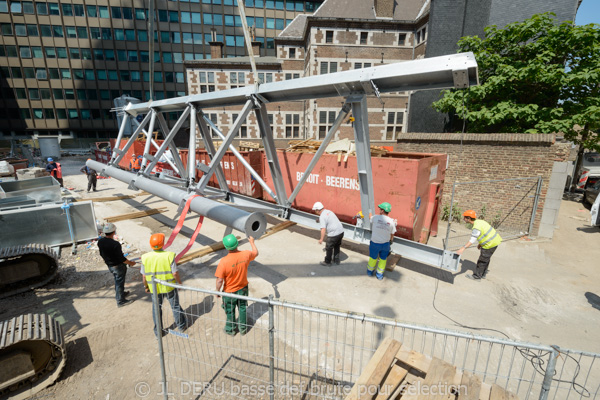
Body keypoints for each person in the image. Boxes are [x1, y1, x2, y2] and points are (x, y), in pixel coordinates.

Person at [141, 233, 187, 335]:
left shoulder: (145, 257)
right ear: (163, 243)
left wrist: (146, 286)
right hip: (169, 287)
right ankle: (181, 326)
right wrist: (179, 283)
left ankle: (158, 332)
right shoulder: (169, 256)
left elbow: (144, 276)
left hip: (154, 288)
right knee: (175, 306)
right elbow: (175, 273)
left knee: (156, 308)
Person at [215, 235, 258, 336]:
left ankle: (231, 330)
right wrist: (252, 241)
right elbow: (256, 253)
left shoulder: (224, 262)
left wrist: (217, 291)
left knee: (230, 310)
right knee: (242, 308)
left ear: (226, 247)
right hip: (243, 288)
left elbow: (219, 280)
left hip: (229, 291)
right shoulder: (246, 254)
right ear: (237, 244)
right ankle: (243, 329)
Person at [456, 210, 502, 281]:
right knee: (486, 258)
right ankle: (483, 273)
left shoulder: (476, 228)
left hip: (490, 244)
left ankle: (477, 277)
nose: (463, 219)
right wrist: (480, 244)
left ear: (468, 218)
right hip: (495, 241)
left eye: (464, 217)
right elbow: (484, 233)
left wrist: (463, 248)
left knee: (482, 260)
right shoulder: (480, 222)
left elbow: (472, 240)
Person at [98, 223, 136, 307]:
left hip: (110, 265)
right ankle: (120, 301)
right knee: (119, 283)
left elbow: (101, 253)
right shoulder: (115, 244)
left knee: (117, 281)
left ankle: (121, 294)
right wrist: (131, 263)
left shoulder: (100, 241)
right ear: (114, 232)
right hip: (118, 266)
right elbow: (122, 259)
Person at [367, 202, 397, 280]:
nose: (379, 210)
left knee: (373, 258)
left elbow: (370, 217)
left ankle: (370, 272)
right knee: (383, 259)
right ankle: (379, 275)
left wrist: (369, 211)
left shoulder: (376, 218)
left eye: (380, 209)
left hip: (375, 243)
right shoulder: (391, 222)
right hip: (385, 245)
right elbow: (392, 233)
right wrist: (391, 241)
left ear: (382, 211)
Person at [312, 201, 344, 266]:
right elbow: (327, 218)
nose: (315, 211)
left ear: (318, 210)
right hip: (341, 232)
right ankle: (336, 259)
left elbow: (323, 229)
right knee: (337, 245)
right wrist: (320, 219)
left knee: (329, 247)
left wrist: (321, 239)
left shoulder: (322, 216)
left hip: (333, 234)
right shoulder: (328, 211)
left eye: (315, 210)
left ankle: (327, 262)